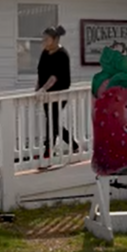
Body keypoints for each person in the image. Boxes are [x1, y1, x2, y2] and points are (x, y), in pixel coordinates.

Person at [36, 25, 79, 158]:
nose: (44, 41)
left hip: (59, 92)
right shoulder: (44, 53)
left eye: (47, 39)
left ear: (55, 39)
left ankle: (48, 150)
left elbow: (54, 77)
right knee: (52, 120)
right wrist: (37, 89)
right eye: (43, 39)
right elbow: (41, 73)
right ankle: (72, 144)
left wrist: (44, 88)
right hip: (46, 93)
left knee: (52, 120)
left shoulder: (62, 55)